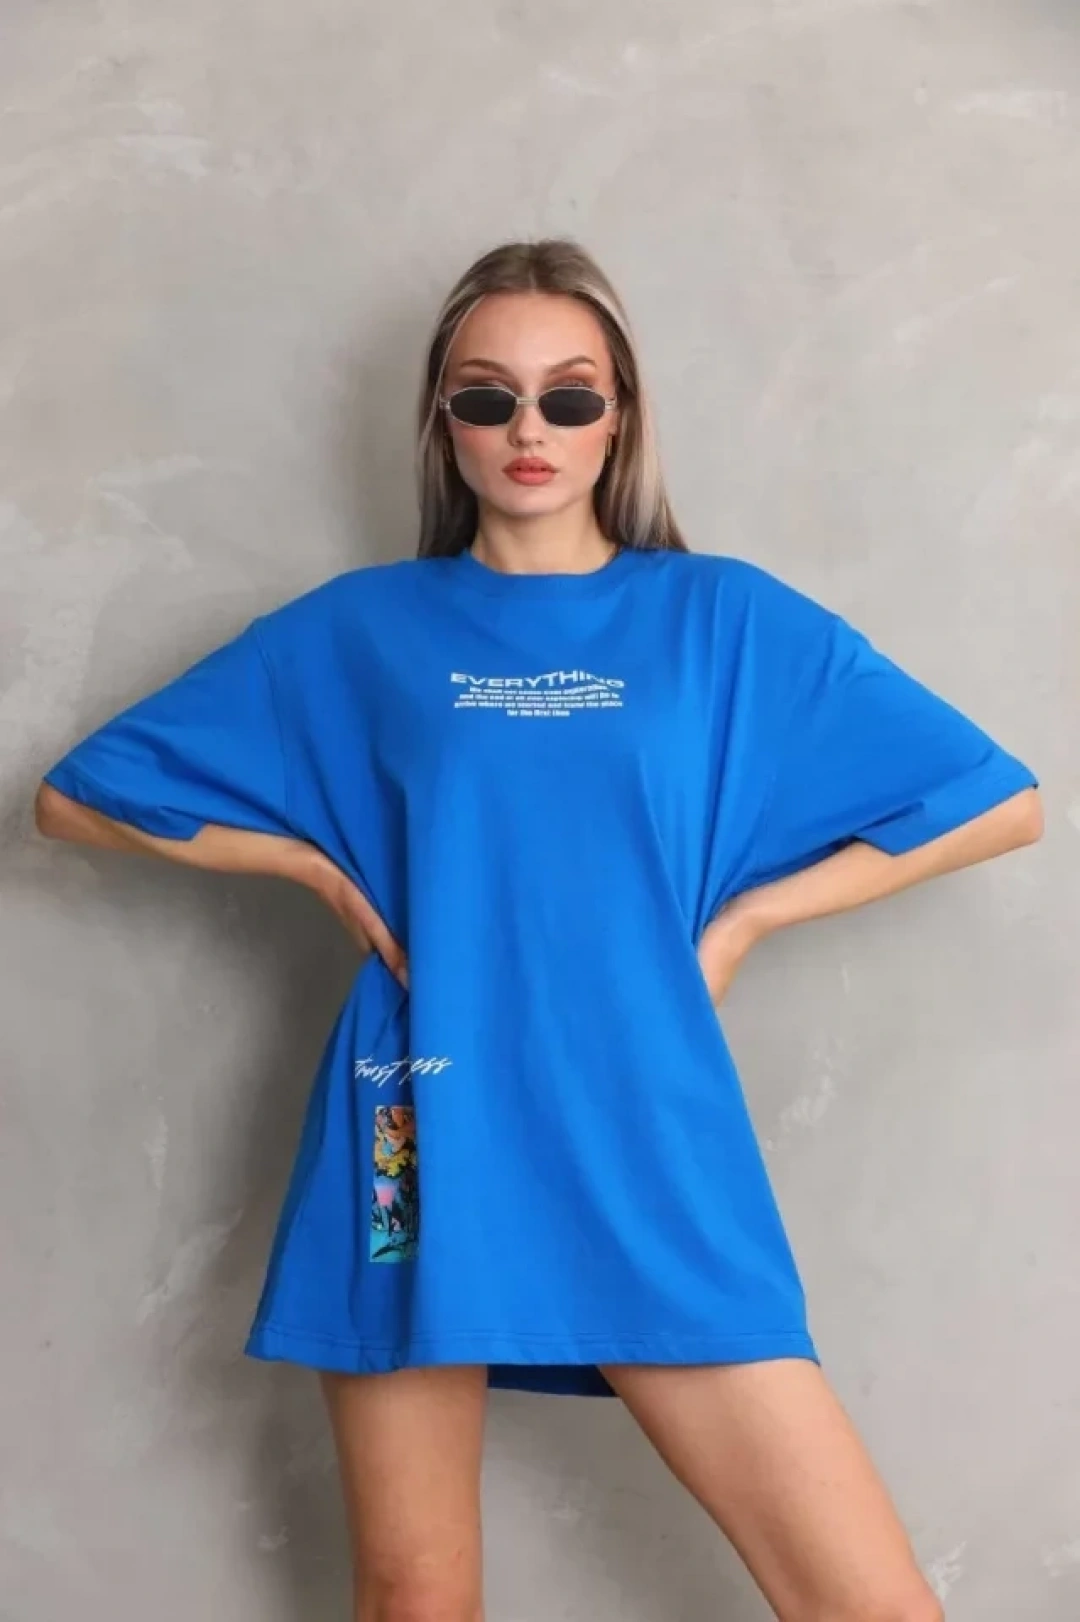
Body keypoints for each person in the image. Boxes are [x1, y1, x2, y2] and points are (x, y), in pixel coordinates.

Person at [36, 237, 1042, 1622]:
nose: (530, 429)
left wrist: (750, 916)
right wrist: (317, 869)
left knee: (867, 1603)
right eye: (487, 395)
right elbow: (80, 797)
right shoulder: (363, 630)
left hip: (639, 1113)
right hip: (414, 1114)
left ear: (618, 416)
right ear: (442, 419)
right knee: (415, 1595)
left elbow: (995, 803)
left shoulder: (718, 621)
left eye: (570, 396)